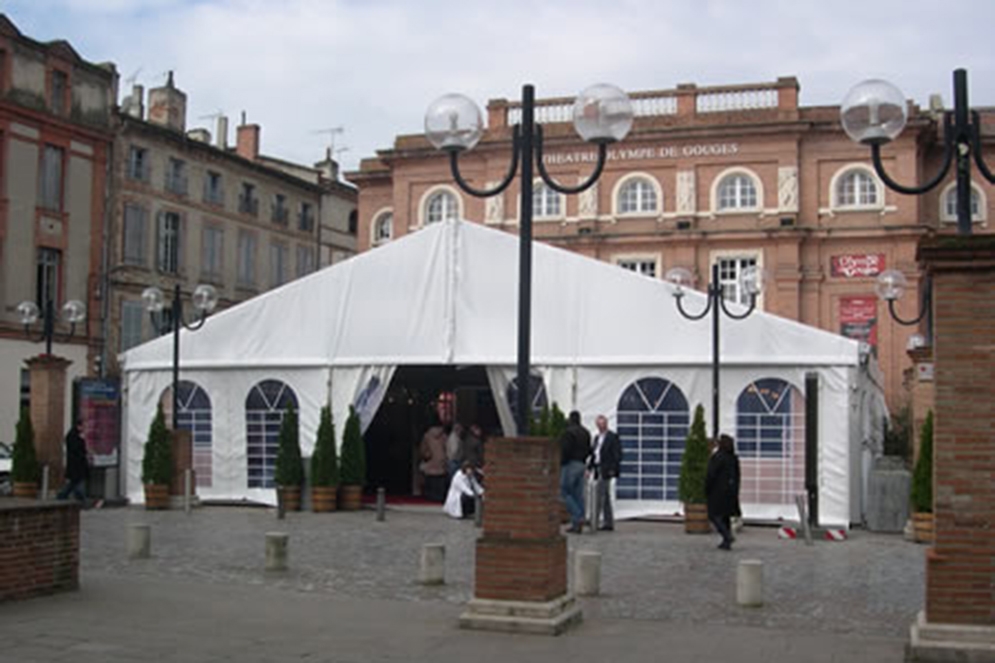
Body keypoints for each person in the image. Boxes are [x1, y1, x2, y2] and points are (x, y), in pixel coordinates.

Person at [705, 433, 741, 550]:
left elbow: (711, 474)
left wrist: (706, 488)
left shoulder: (717, 457)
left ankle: (727, 535)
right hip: (730, 491)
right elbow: (737, 475)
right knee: (725, 516)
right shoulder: (733, 458)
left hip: (717, 491)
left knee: (714, 515)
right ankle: (726, 541)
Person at [559, 410, 591, 534]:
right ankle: (578, 522)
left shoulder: (568, 433)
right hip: (582, 464)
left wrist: (562, 462)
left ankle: (577, 516)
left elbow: (565, 450)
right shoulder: (586, 432)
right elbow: (590, 449)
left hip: (570, 464)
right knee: (578, 494)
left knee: (564, 491)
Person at [589, 414, 622, 531]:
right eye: (599, 424)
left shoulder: (612, 437)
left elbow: (617, 454)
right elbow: (594, 455)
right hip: (598, 468)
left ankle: (599, 521)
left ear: (606, 424)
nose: (601, 426)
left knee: (601, 495)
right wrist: (589, 468)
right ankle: (605, 522)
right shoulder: (596, 438)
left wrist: (613, 469)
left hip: (606, 469)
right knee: (603, 496)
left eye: (602, 424)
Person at [57, 420, 89, 505]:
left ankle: (62, 496)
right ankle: (83, 501)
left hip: (76, 465)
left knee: (72, 483)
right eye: (82, 426)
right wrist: (82, 441)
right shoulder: (74, 437)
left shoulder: (74, 436)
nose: (83, 429)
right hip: (76, 465)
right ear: (79, 426)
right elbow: (77, 450)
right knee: (78, 485)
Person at [419, 420, 448, 503]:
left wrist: (426, 455)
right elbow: (447, 448)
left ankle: (431, 497)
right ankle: (439, 497)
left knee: (431, 481)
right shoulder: (444, 436)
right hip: (442, 462)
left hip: (431, 462)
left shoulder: (427, 436)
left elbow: (423, 449)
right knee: (440, 482)